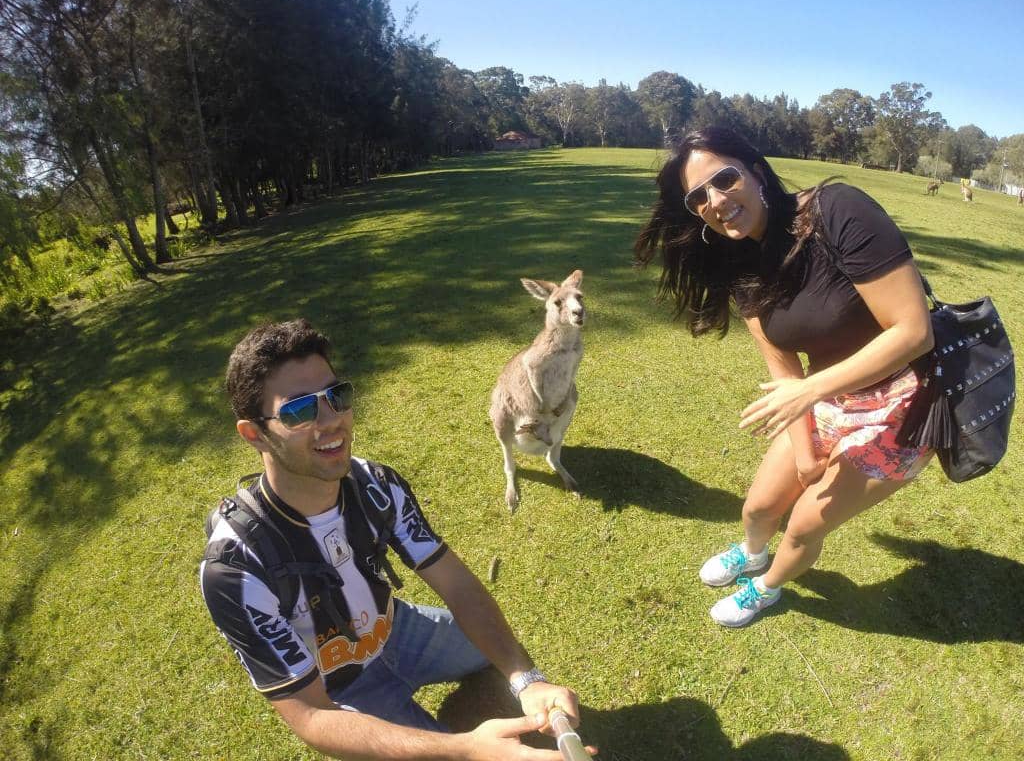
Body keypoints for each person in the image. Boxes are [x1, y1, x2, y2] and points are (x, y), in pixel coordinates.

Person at [200, 319, 586, 759]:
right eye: (298, 411)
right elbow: (310, 716)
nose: (331, 422)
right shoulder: (234, 566)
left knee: (498, 657)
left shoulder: (375, 484)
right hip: (341, 686)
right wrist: (466, 749)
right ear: (255, 434)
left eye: (336, 396)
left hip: (399, 630)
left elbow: (456, 584)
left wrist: (526, 679)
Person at [633, 127, 935, 627]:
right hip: (826, 398)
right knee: (757, 508)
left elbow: (914, 331)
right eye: (697, 197)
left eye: (723, 179)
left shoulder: (836, 210)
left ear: (754, 169)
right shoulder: (741, 262)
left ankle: (766, 588)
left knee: (801, 526)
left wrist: (812, 391)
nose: (714, 200)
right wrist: (804, 453)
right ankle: (751, 553)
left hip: (905, 404)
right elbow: (782, 365)